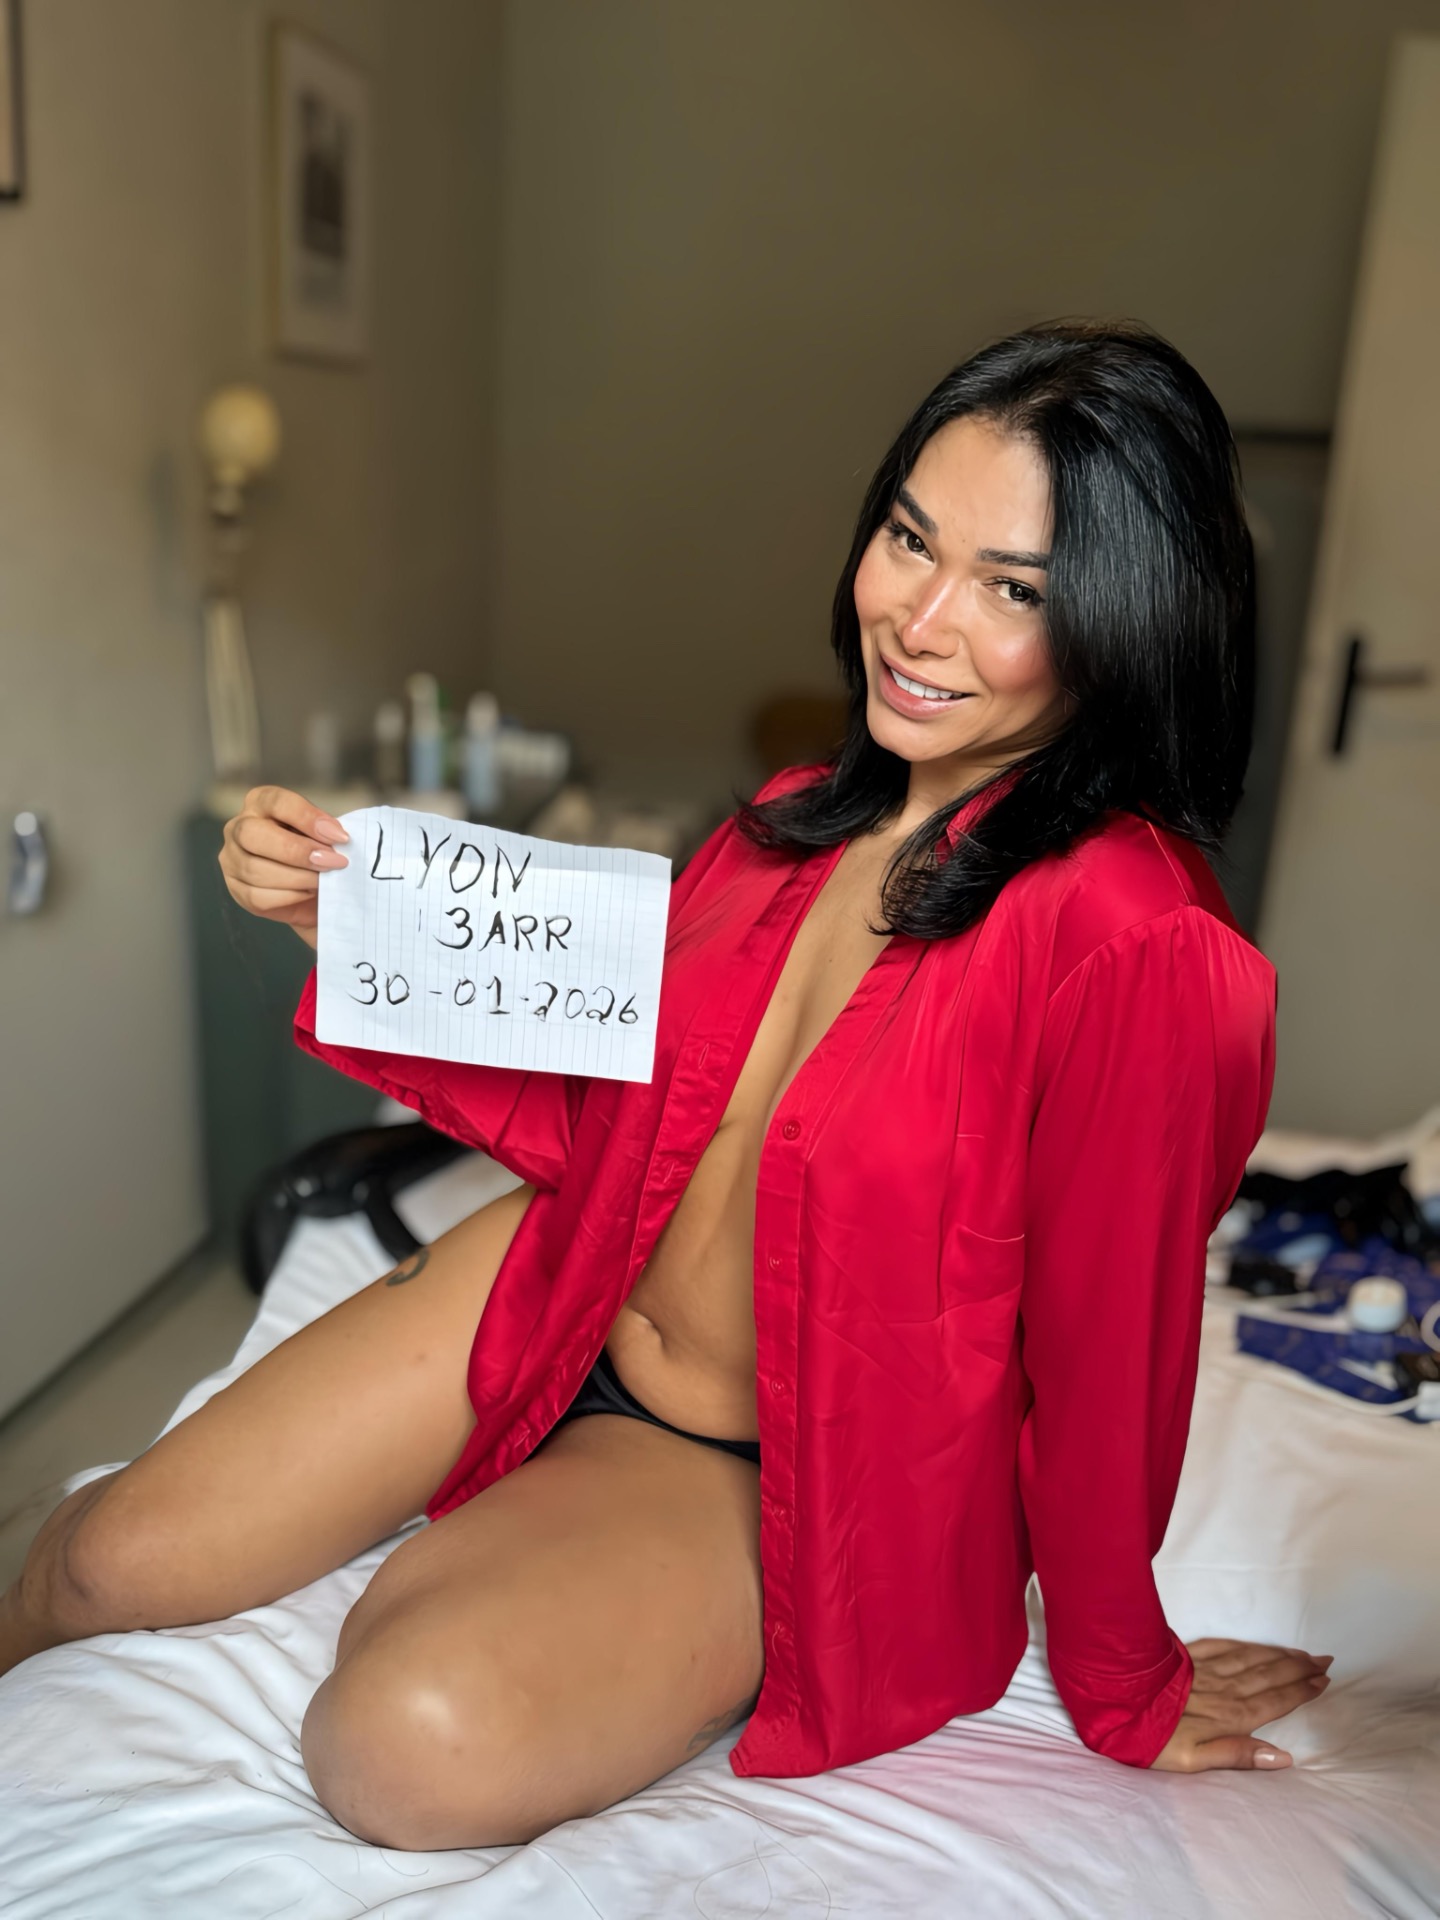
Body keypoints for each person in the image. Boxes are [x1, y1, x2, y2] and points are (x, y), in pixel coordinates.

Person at [0, 322, 1332, 1851]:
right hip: (566, 1278)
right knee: (95, 1564)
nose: (920, 620)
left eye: (1014, 589)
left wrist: (1125, 1674)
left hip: (756, 1454)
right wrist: (342, 923)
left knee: (404, 1746)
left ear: (1126, 626)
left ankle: (524, 1534)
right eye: (910, 538)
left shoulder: (1140, 945)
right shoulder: (786, 820)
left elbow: (1115, 1345)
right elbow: (620, 1103)